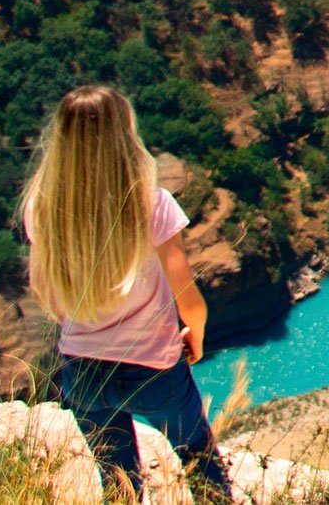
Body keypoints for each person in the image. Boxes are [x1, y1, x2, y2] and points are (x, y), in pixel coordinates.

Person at [21, 85, 232, 502]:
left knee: (118, 484)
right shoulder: (152, 205)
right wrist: (196, 337)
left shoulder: (41, 209)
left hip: (81, 370)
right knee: (200, 460)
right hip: (154, 369)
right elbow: (188, 301)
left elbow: (52, 293)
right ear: (125, 136)